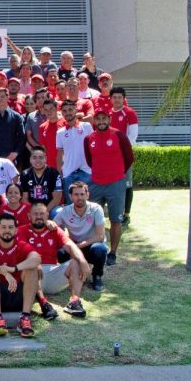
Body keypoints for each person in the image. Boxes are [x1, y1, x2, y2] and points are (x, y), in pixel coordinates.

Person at [19, 202, 92, 318]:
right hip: (33, 275)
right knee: (30, 266)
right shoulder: (21, 231)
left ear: (47, 215)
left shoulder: (54, 230)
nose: (38, 217)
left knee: (76, 261)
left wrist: (83, 262)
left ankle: (74, 302)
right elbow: (22, 253)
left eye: (42, 213)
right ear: (29, 216)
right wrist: (34, 262)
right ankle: (44, 303)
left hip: (53, 272)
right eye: (35, 214)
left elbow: (71, 246)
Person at [84, 108, 134, 266]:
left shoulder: (119, 135)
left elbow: (129, 158)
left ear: (109, 119)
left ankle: (113, 252)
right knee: (93, 220)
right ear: (94, 121)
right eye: (97, 119)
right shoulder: (88, 138)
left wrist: (117, 174)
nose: (101, 122)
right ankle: (96, 248)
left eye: (103, 118)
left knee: (115, 220)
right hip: (96, 183)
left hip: (116, 184)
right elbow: (89, 160)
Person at [0, 212, 41, 337]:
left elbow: (36, 259)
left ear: (16, 230)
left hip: (18, 295)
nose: (7, 230)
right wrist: (3, 271)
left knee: (32, 270)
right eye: (4, 227)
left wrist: (13, 269)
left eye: (11, 227)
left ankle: (25, 318)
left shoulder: (22, 245)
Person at [54, 182, 109, 292]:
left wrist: (78, 246)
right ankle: (71, 273)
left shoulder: (96, 209)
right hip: (74, 243)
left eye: (82, 194)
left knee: (100, 250)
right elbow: (53, 226)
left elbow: (100, 236)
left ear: (87, 195)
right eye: (76, 194)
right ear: (70, 196)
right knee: (60, 253)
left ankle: (97, 275)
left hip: (92, 244)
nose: (80, 197)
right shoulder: (65, 211)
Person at [109, 86, 138, 226]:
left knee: (127, 184)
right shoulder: (107, 114)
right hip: (110, 157)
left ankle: (126, 215)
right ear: (111, 99)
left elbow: (133, 136)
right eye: (114, 97)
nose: (117, 100)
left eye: (120, 97)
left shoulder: (130, 113)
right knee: (112, 185)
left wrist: (121, 150)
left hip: (124, 156)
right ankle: (115, 213)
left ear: (124, 99)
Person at [56, 100, 94, 201]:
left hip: (86, 171)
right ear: (62, 113)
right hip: (69, 173)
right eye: (65, 111)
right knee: (71, 204)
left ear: (75, 110)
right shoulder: (60, 132)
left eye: (70, 109)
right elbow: (60, 154)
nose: (68, 112)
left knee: (87, 204)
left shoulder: (87, 126)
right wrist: (59, 172)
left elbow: (93, 148)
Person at [20, 146, 63, 219]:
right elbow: (24, 198)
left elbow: (57, 198)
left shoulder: (54, 173)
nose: (37, 160)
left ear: (46, 158)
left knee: (59, 212)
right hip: (31, 209)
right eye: (34, 158)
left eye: (41, 157)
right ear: (30, 159)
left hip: (50, 208)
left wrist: (44, 212)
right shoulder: (25, 174)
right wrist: (35, 212)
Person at [38, 98, 65, 169]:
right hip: (50, 166)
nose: (48, 112)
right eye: (46, 110)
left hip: (66, 164)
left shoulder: (65, 123)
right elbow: (44, 148)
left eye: (51, 109)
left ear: (56, 109)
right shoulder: (42, 127)